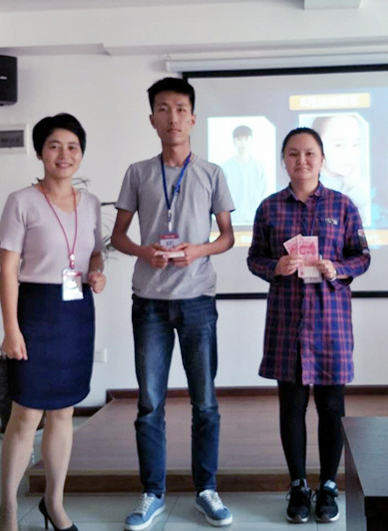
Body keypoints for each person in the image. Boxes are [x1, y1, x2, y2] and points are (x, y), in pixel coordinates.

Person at [111, 77, 235, 530]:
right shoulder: (137, 172)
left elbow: (227, 237)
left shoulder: (212, 173)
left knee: (205, 403)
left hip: (198, 299)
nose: (173, 118)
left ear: (193, 118)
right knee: (150, 404)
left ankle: (206, 489)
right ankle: (153, 493)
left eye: (181, 109)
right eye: (163, 109)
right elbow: (118, 235)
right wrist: (145, 252)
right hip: (149, 302)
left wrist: (196, 250)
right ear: (152, 119)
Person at [247, 127, 370, 523]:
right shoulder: (269, 208)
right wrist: (275, 266)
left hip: (331, 322)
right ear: (284, 159)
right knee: (292, 406)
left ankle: (329, 485)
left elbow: (362, 256)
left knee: (332, 407)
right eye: (293, 154)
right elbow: (254, 258)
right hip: (286, 321)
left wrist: (339, 268)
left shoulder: (343, 205)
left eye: (310, 153)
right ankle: (298, 485)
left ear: (322, 160)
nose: (302, 161)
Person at [0, 113, 107, 531]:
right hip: (35, 310)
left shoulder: (91, 203)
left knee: (63, 412)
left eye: (73, 147)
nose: (64, 154)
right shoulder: (21, 201)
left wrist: (97, 273)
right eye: (55, 146)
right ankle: (8, 510)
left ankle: (54, 504)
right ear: (41, 152)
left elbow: (95, 253)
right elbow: (8, 270)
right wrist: (11, 329)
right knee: (26, 415)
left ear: (81, 153)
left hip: (76, 314)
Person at [312, 114, 371, 225]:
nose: (350, 154)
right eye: (339, 145)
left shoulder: (366, 185)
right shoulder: (305, 187)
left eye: (356, 145)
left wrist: (355, 188)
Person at [221, 125, 267, 225]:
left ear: (251, 140)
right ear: (234, 141)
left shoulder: (259, 166)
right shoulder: (226, 167)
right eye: (239, 139)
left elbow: (264, 193)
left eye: (246, 139)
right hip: (233, 220)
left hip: (255, 219)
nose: (243, 143)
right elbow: (222, 196)